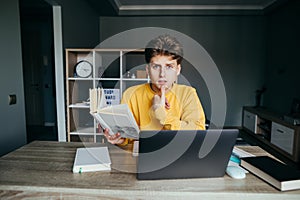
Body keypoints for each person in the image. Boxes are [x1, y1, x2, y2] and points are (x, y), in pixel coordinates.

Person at [104, 34, 206, 146]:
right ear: (147, 70)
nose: (162, 74)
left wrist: (161, 113)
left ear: (178, 70)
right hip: (141, 157)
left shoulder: (188, 93)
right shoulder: (131, 94)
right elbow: (127, 137)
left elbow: (198, 132)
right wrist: (119, 140)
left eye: (169, 67)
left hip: (179, 156)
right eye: (156, 67)